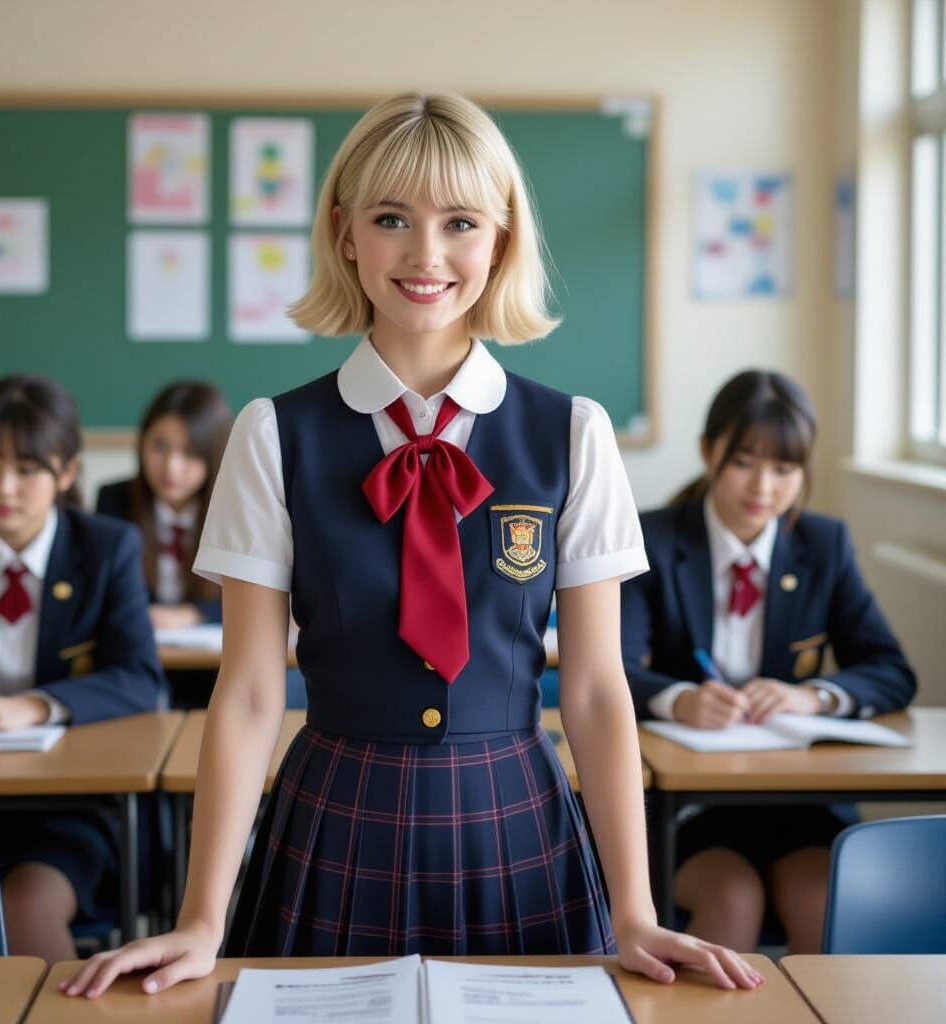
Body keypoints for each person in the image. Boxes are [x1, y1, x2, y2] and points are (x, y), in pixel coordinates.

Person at [63, 92, 760, 997]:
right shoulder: (273, 435)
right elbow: (245, 693)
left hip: (515, 820)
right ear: (345, 232)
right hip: (333, 817)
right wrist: (201, 916)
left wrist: (635, 909)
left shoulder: (573, 433)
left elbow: (592, 688)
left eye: (460, 223)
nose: (425, 255)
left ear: (501, 241)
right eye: (393, 218)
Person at [621, 369, 916, 953]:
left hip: (796, 802)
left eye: (785, 469)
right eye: (744, 461)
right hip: (690, 805)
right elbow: (609, 669)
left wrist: (815, 695)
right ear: (708, 452)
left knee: (820, 901)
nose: (763, 486)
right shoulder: (651, 538)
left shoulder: (823, 546)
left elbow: (890, 669)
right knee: (732, 898)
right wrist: (678, 699)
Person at [0, 373, 167, 961]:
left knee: (25, 908)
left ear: (66, 473)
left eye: (27, 470)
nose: (3, 486)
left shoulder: (106, 548)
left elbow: (141, 677)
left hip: (68, 803)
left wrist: (30, 705)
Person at [96, 381, 231, 629]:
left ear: (214, 455)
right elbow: (104, 591)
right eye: (159, 446)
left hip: (212, 660)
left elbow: (257, 597)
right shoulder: (114, 500)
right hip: (141, 652)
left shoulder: (234, 510)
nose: (171, 467)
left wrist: (193, 614)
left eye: (190, 452)